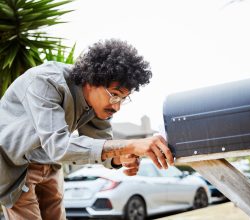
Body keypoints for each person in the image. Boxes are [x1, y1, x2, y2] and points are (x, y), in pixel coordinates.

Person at [0, 39, 174, 219]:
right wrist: (129, 145)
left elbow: (102, 144)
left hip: (49, 163)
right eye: (114, 95)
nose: (117, 107)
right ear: (91, 81)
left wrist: (121, 157)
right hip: (16, 165)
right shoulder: (46, 82)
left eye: (123, 99)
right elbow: (59, 147)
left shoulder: (95, 104)